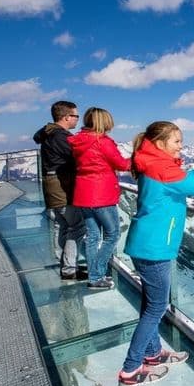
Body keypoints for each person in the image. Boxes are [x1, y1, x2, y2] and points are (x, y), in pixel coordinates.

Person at [118, 121, 194, 386]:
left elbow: (186, 177)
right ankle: (130, 370)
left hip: (147, 244)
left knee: (151, 304)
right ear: (160, 143)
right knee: (157, 307)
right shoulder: (162, 168)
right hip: (154, 247)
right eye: (177, 141)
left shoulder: (155, 163)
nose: (181, 145)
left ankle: (152, 354)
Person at [69, 107, 131, 289]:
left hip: (83, 194)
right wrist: (140, 158)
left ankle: (94, 277)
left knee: (93, 236)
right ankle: (96, 275)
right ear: (104, 122)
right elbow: (122, 164)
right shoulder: (102, 142)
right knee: (112, 235)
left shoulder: (78, 141)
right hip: (102, 195)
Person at [33, 100, 86, 280]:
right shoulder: (60, 137)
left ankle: (64, 263)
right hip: (62, 187)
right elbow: (77, 158)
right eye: (76, 116)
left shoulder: (48, 133)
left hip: (52, 186)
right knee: (77, 226)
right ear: (66, 117)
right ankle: (69, 268)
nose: (77, 119)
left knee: (62, 224)